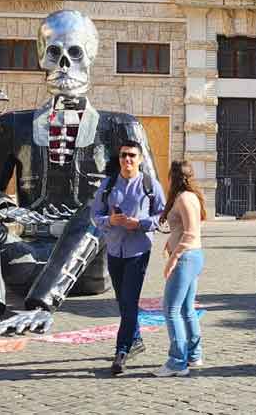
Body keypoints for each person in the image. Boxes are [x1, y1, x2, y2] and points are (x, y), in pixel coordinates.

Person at [92, 140, 165, 376]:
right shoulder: (108, 184)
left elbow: (162, 216)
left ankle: (121, 351)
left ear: (140, 159)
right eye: (124, 155)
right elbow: (95, 215)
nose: (128, 160)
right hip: (114, 249)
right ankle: (135, 339)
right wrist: (109, 221)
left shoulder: (149, 184)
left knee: (130, 300)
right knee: (123, 301)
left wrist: (140, 224)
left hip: (138, 250)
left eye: (132, 155)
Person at [154, 161, 207, 377]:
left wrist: (173, 258)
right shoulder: (190, 197)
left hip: (186, 258)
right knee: (186, 309)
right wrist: (171, 243)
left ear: (173, 177)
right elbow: (194, 225)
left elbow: (191, 232)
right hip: (192, 256)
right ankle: (194, 355)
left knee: (171, 309)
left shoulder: (185, 198)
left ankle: (177, 362)